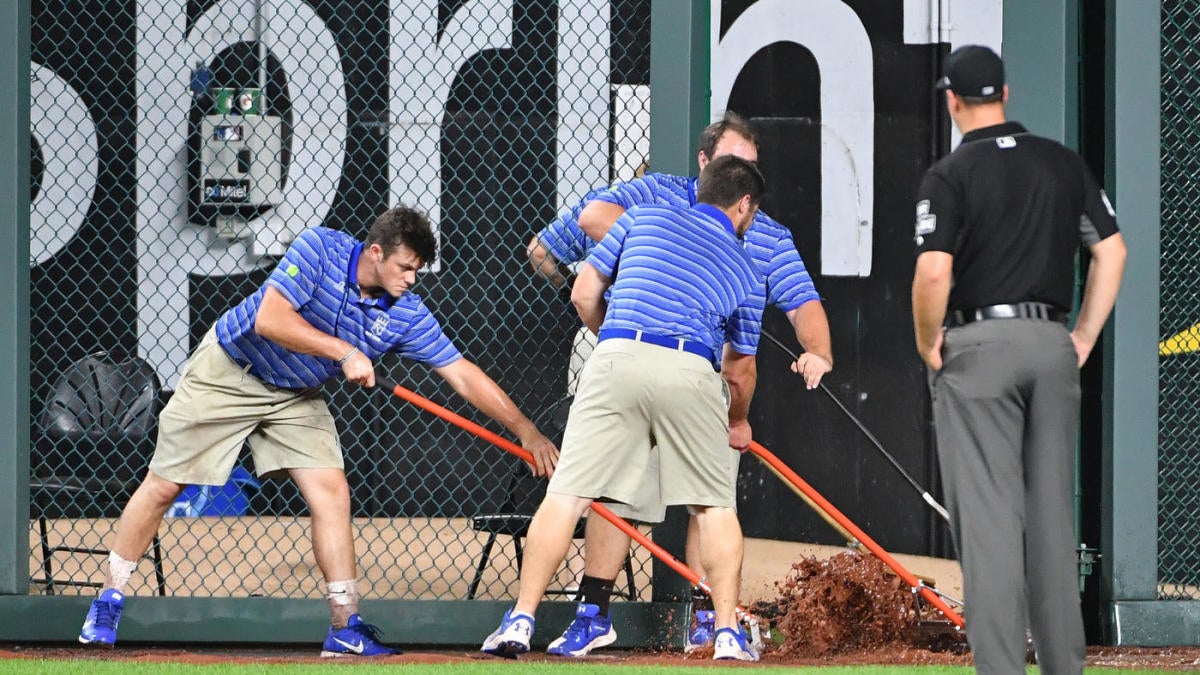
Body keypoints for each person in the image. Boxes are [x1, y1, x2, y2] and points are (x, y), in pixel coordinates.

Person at [77, 206, 559, 656]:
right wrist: (343, 351)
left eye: (417, 271)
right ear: (376, 252)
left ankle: (345, 628)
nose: (411, 280)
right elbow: (270, 320)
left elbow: (462, 373)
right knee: (164, 486)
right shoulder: (319, 249)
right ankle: (108, 601)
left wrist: (526, 431)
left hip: (296, 391)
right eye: (405, 268)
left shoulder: (406, 311)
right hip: (231, 369)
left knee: (332, 493)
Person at [527, 112, 833, 657]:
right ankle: (595, 612)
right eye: (731, 161)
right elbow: (582, 223)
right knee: (617, 494)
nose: (741, 173)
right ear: (704, 162)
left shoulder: (762, 232)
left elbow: (802, 304)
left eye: (750, 166)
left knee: (706, 499)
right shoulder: (655, 200)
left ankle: (703, 618)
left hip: (702, 376)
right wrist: (661, 257)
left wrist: (817, 353)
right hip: (640, 355)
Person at [482, 155, 768, 662]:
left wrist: (616, 343)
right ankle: (725, 632)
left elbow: (584, 292)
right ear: (743, 204)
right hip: (691, 368)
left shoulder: (643, 216)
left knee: (566, 495)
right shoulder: (747, 266)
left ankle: (521, 621)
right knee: (714, 507)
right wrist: (736, 418)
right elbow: (739, 371)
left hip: (615, 355)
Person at [911, 46, 1125, 675]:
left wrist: (929, 341)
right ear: (1005, 93)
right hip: (1051, 344)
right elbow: (1110, 253)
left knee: (990, 526)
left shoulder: (949, 174)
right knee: (1052, 526)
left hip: (978, 346)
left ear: (953, 100)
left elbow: (932, 271)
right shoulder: (1060, 162)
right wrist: (1081, 337)